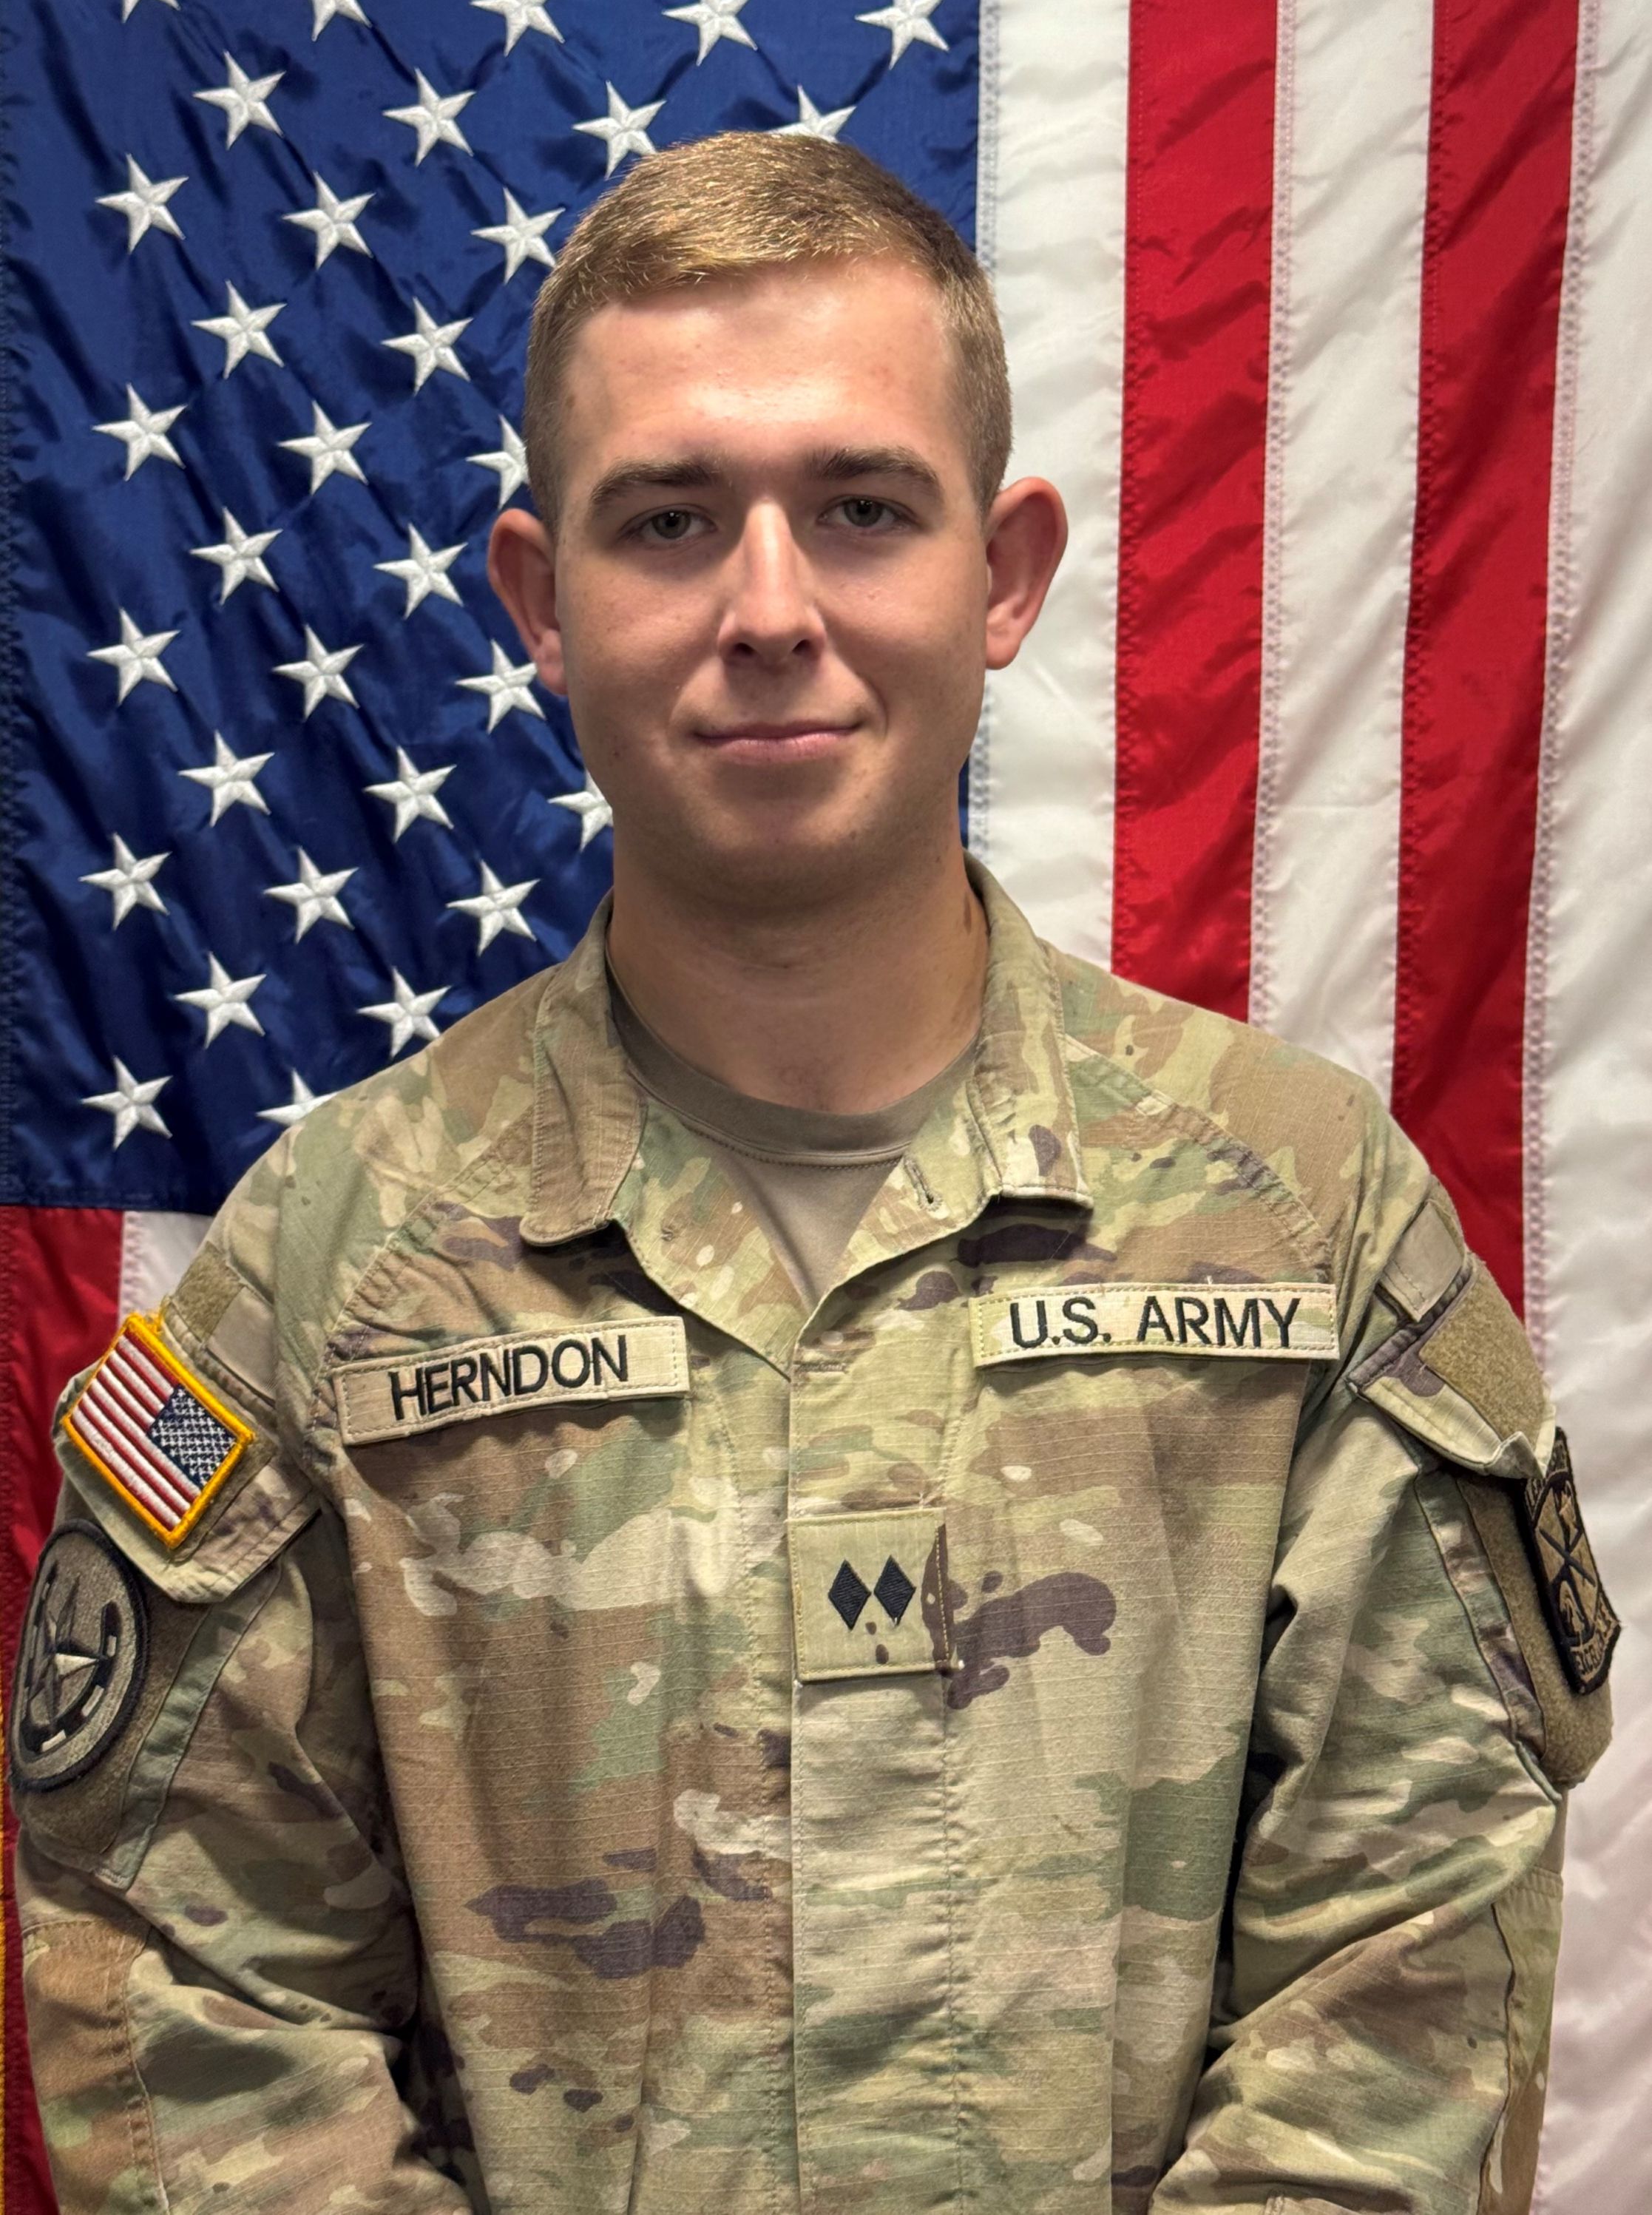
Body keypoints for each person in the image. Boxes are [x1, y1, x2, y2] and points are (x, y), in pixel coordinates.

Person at [9, 132, 1617, 2215]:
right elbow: (191, 1985)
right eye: (668, 522)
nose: (769, 610)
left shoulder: (1306, 1225)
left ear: (1005, 569)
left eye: (860, 510)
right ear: (537, 600)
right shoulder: (329, 1271)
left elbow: (1407, 1969)